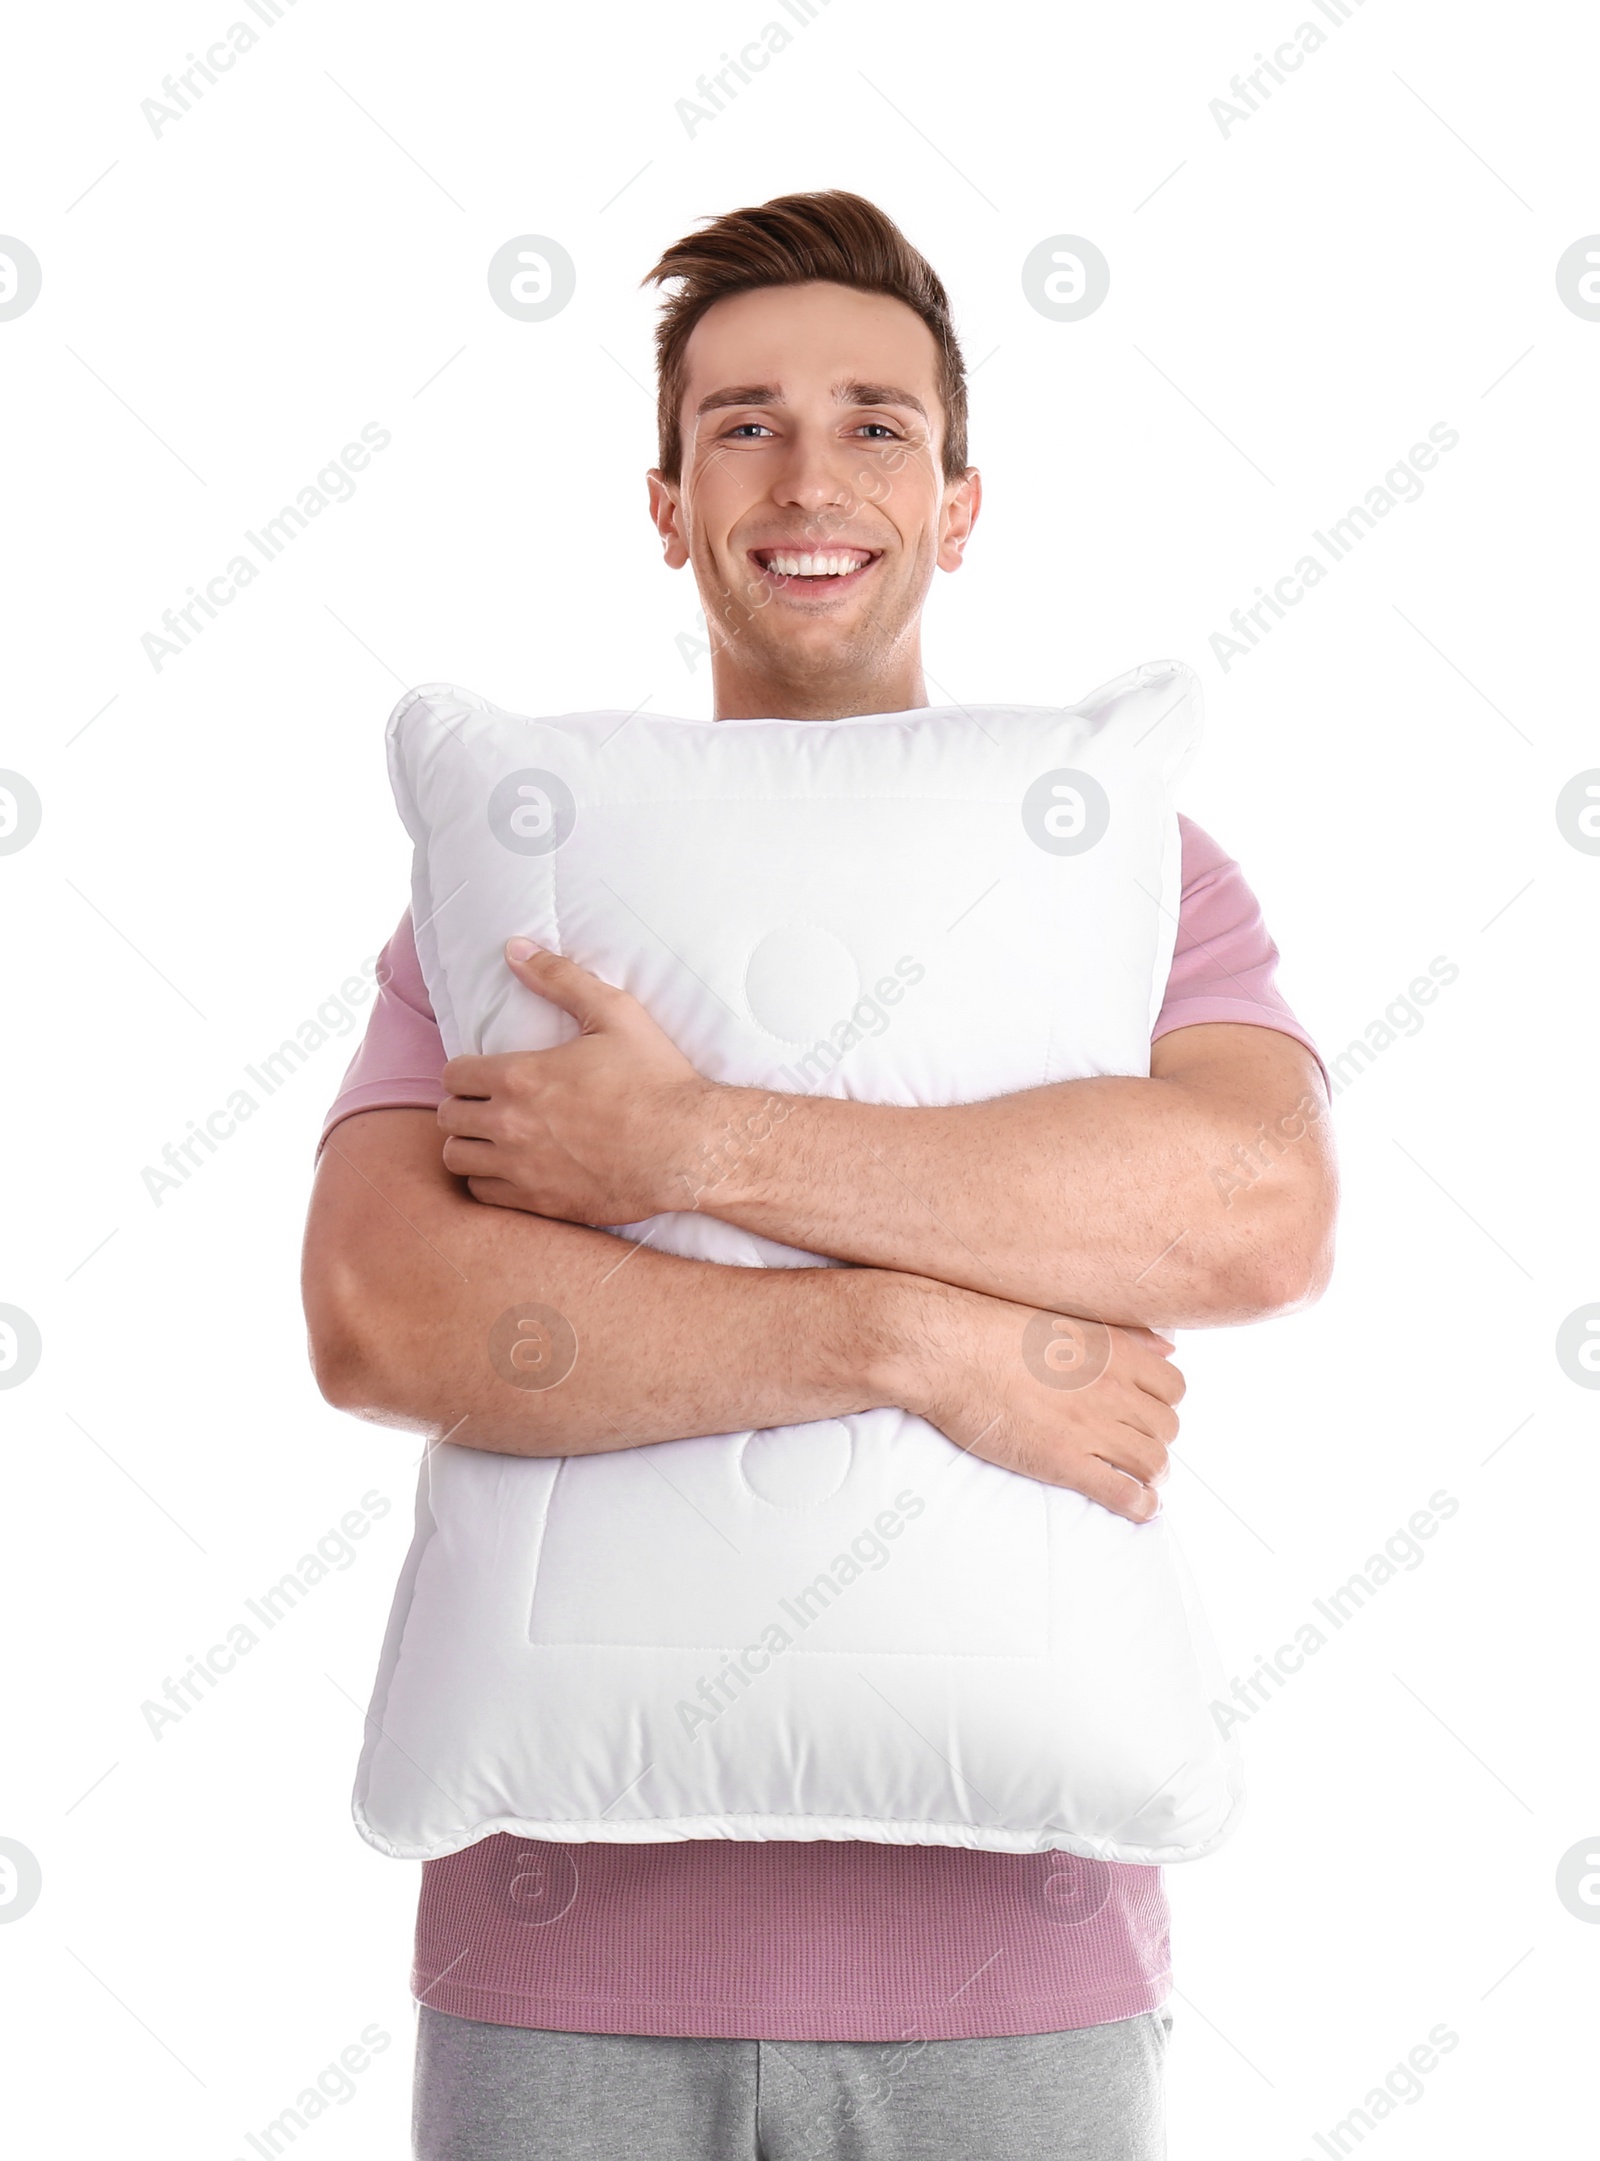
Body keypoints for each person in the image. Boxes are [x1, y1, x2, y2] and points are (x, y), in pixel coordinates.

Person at [302, 188, 1337, 2161]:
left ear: (956, 503)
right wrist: (908, 1330)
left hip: (1007, 1973)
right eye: (739, 422)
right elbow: (379, 1315)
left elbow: (1249, 1212)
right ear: (665, 499)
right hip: (563, 1968)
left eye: (876, 421)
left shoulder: (1119, 866)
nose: (807, 472)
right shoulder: (520, 876)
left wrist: (684, 1146)